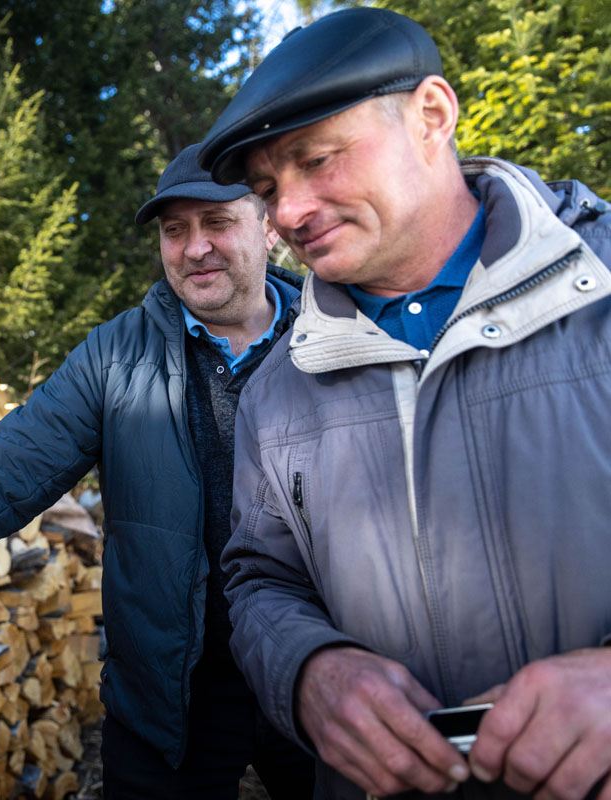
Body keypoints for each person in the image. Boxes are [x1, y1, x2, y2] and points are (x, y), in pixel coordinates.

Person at [195, 7, 611, 800]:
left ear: (431, 114)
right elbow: (260, 581)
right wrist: (308, 672)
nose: (286, 212)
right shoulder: (278, 388)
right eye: (267, 188)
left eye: (315, 160)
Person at [0, 144, 314, 798]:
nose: (194, 247)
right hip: (171, 693)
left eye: (216, 223)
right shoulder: (114, 357)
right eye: (173, 230)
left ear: (268, 226)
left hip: (315, 677)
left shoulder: (334, 338)